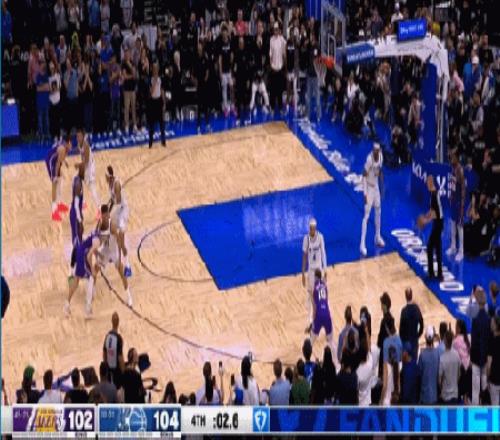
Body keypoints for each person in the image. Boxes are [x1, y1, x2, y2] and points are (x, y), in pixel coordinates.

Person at [97, 204, 133, 307]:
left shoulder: (112, 226)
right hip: (106, 250)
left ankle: (129, 297)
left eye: (107, 215)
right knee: (94, 269)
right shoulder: (100, 225)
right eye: (104, 215)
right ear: (102, 215)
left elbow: (119, 241)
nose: (105, 217)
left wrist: (120, 257)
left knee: (121, 273)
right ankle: (91, 290)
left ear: (108, 214)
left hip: (114, 251)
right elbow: (99, 239)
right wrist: (98, 249)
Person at [301, 218, 327, 333]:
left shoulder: (320, 237)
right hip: (311, 272)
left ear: (315, 228)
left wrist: (325, 269)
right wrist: (303, 273)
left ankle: (323, 320)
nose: (312, 230)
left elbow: (323, 253)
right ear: (309, 228)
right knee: (311, 298)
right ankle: (310, 322)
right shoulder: (306, 239)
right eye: (310, 229)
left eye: (313, 228)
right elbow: (304, 256)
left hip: (319, 270)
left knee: (321, 296)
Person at [360, 142, 385, 256]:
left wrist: (382, 188)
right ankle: (362, 244)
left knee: (378, 211)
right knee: (366, 215)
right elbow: (363, 175)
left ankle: (377, 236)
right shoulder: (369, 159)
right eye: (374, 150)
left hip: (376, 187)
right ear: (373, 150)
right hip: (369, 188)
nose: (376, 152)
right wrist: (365, 193)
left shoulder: (381, 157)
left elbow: (380, 172)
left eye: (377, 150)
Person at [106, 165, 131, 277]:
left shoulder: (116, 185)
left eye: (105, 176)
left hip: (123, 211)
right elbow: (112, 201)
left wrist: (110, 214)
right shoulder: (110, 184)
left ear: (109, 176)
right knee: (110, 230)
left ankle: (128, 266)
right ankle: (113, 254)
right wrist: (107, 212)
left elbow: (119, 202)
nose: (105, 178)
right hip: (118, 209)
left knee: (121, 241)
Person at [421, 175, 444, 280]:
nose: (426, 184)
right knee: (438, 248)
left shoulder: (434, 195)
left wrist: (425, 221)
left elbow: (436, 214)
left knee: (430, 247)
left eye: (427, 183)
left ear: (431, 183)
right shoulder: (433, 193)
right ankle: (440, 274)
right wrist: (425, 216)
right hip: (438, 223)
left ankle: (431, 273)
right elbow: (431, 210)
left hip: (438, 224)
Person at [471, 287, 491, 404]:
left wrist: (471, 357)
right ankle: (484, 406)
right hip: (485, 356)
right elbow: (488, 338)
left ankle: (475, 408)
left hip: (476, 356)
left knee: (475, 387)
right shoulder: (488, 319)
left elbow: (474, 339)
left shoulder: (475, 318)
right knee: (484, 384)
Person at [45, 135, 72, 221]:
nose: (71, 145)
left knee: (60, 180)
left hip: (56, 160)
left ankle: (59, 204)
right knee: (55, 184)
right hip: (51, 161)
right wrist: (55, 176)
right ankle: (54, 211)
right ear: (67, 143)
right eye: (70, 143)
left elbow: (61, 158)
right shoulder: (62, 149)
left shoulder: (65, 148)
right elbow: (57, 164)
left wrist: (65, 161)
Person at [447, 150, 466, 262]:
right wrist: (450, 195)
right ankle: (453, 246)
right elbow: (452, 184)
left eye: (453, 157)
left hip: (459, 203)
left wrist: (462, 205)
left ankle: (461, 251)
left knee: (459, 226)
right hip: (453, 201)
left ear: (457, 158)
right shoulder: (452, 168)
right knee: (452, 223)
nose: (451, 158)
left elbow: (463, 188)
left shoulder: (460, 170)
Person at [76, 129, 100, 216]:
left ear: (83, 136)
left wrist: (79, 165)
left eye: (80, 136)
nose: (78, 138)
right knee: (79, 182)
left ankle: (100, 209)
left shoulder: (86, 146)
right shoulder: (79, 144)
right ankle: (83, 202)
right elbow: (82, 157)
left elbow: (86, 162)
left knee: (92, 189)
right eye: (77, 136)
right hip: (86, 165)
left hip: (90, 167)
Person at [310, 269, 333, 350]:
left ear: (316, 277)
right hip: (327, 314)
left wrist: (313, 322)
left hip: (319, 315)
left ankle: (307, 355)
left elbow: (314, 308)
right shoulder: (325, 287)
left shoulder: (314, 289)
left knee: (311, 341)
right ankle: (335, 357)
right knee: (330, 341)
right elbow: (326, 300)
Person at [399, 287, 424, 360]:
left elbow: (401, 329)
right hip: (414, 341)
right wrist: (418, 335)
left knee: (406, 362)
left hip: (406, 341)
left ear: (405, 296)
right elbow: (422, 323)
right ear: (412, 295)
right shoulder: (416, 309)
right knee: (414, 361)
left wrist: (402, 341)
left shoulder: (404, 311)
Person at [69, 164, 85, 277]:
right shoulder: (78, 184)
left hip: (76, 214)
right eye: (84, 171)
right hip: (75, 216)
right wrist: (79, 221)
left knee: (79, 242)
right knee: (77, 244)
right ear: (81, 171)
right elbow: (75, 205)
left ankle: (77, 267)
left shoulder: (77, 178)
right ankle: (72, 271)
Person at [418, 326, 440, 405]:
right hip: (434, 396)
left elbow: (419, 373)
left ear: (425, 338)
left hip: (424, 396)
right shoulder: (437, 354)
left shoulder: (422, 355)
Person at [103, 312, 125, 389]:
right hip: (117, 371)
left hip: (109, 371)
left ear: (111, 321)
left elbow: (104, 354)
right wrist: (124, 373)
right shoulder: (119, 338)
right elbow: (120, 357)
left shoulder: (107, 336)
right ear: (118, 322)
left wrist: (106, 367)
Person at [146, 62, 166, 148]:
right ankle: (150, 142)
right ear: (152, 70)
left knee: (161, 123)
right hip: (152, 103)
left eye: (157, 68)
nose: (155, 70)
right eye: (154, 68)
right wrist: (155, 81)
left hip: (159, 102)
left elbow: (162, 90)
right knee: (152, 124)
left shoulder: (161, 79)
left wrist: (164, 102)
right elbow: (151, 92)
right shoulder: (150, 80)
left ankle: (163, 141)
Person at [439, 330, 461, 404]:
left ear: (445, 341)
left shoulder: (442, 358)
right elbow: (459, 374)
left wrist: (442, 390)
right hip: (455, 394)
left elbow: (439, 380)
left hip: (445, 396)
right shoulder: (457, 355)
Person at [269, 22, 286, 115]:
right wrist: (271, 66)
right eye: (274, 29)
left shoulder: (282, 39)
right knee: (272, 90)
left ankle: (280, 107)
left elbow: (284, 53)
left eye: (277, 29)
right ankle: (272, 107)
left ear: (279, 30)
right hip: (273, 69)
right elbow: (270, 54)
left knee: (280, 90)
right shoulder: (271, 40)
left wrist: (284, 66)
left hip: (280, 69)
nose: (276, 31)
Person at [453, 318, 471, 403]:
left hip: (461, 371)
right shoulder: (468, 338)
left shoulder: (455, 341)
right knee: (466, 397)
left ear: (459, 329)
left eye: (456, 327)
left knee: (459, 394)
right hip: (469, 370)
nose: (455, 328)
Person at [218, 26, 234, 117]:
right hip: (223, 71)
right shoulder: (220, 44)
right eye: (223, 33)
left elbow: (232, 55)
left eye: (226, 33)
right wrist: (220, 71)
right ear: (222, 34)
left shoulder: (230, 43)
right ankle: (225, 108)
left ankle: (232, 106)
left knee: (231, 88)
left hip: (229, 70)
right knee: (224, 89)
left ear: (227, 33)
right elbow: (220, 59)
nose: (224, 35)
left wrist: (232, 68)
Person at [487, 315, 500, 405]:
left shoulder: (491, 342)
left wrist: (487, 378)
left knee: (495, 408)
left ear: (496, 326)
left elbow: (489, 364)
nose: (490, 324)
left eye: (492, 323)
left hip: (494, 380)